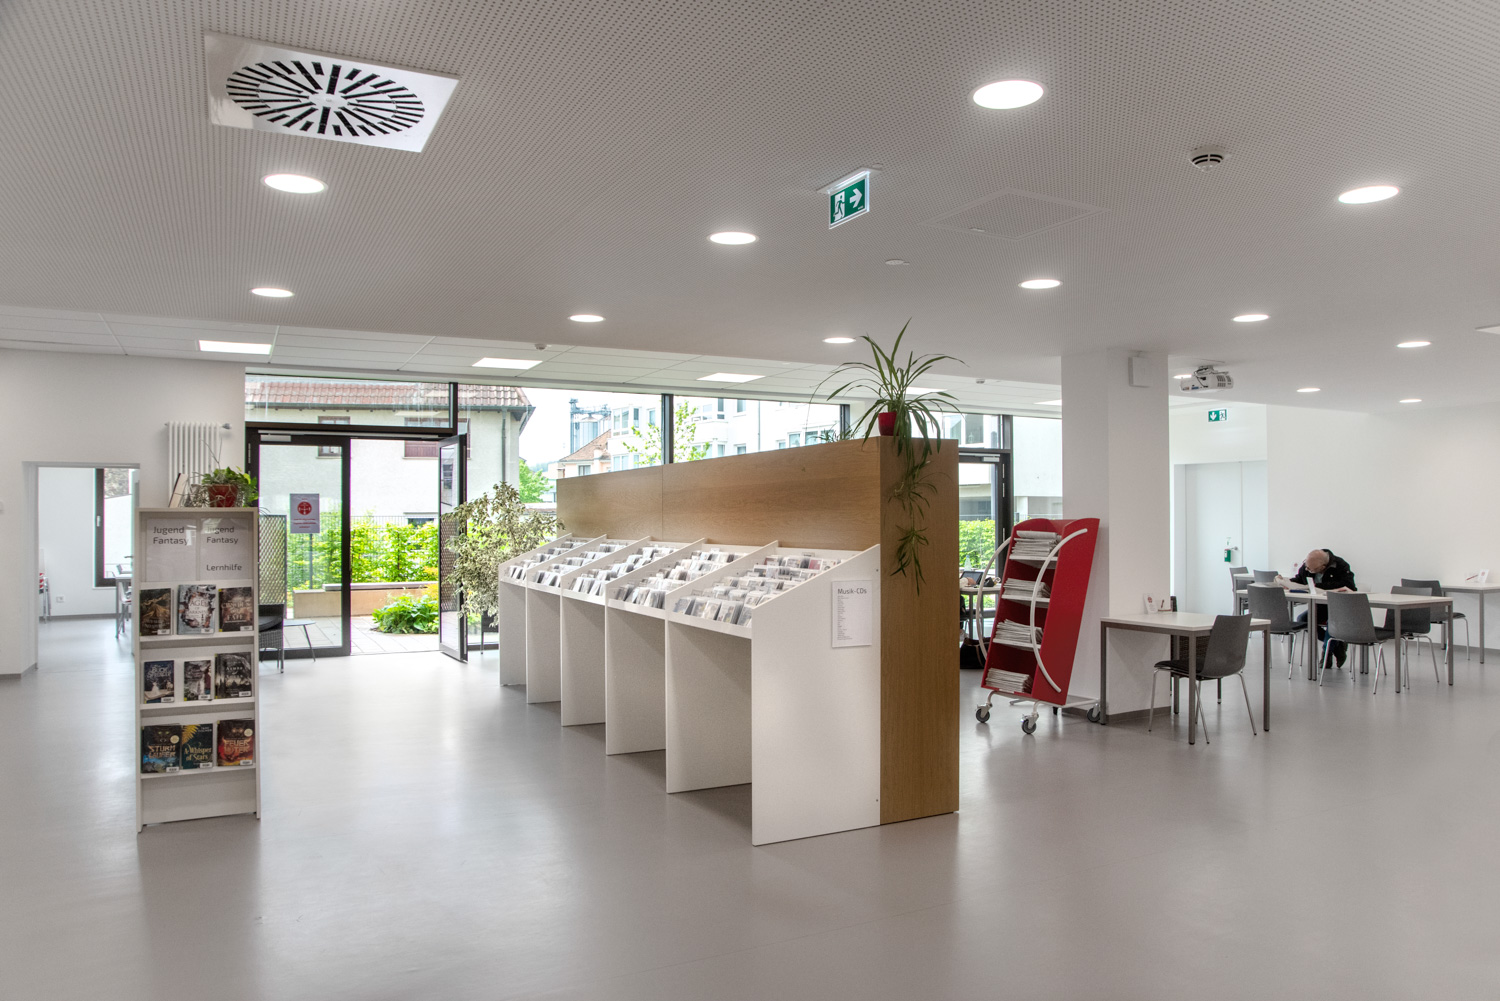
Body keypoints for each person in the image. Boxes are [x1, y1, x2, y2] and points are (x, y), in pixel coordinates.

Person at [1274, 549, 1357, 667]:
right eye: (1306, 566)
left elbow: (1350, 586)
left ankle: (1326, 654)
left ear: (1323, 567)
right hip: (1320, 606)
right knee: (1303, 619)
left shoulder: (1340, 565)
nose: (1307, 570)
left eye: (1311, 569)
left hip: (1338, 607)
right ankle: (1337, 646)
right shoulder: (1307, 565)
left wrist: (1317, 586)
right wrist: (1285, 582)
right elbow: (1299, 580)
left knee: (1332, 622)